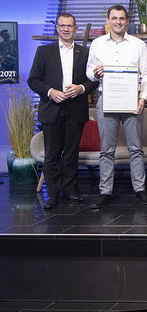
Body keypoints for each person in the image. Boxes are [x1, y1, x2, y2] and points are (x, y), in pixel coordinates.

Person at [86, 5, 147, 209]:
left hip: (132, 101)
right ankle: (105, 191)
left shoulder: (138, 44)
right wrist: (94, 74)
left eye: (122, 18)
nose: (118, 22)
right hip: (107, 100)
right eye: (114, 18)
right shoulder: (97, 44)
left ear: (127, 21)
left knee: (136, 148)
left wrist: (143, 97)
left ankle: (140, 190)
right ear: (108, 20)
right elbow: (89, 71)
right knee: (106, 150)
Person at [28, 13, 98, 208]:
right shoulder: (44, 52)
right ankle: (52, 194)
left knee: (71, 154)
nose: (66, 29)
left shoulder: (85, 53)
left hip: (76, 109)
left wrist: (81, 89)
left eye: (70, 26)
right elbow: (33, 80)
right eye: (62, 26)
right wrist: (51, 92)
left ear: (76, 29)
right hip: (52, 109)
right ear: (57, 28)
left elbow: (94, 81)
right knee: (52, 154)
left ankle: (71, 191)